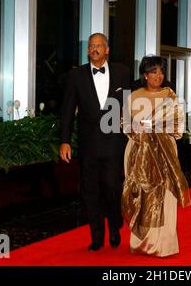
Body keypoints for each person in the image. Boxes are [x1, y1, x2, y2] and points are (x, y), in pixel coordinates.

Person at [59, 33, 130, 251]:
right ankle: (97, 236)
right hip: (88, 141)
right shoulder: (76, 75)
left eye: (99, 45)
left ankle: (115, 227)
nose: (94, 49)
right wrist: (64, 141)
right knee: (90, 190)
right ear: (87, 50)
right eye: (91, 46)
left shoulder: (122, 72)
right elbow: (68, 110)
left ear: (107, 49)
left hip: (113, 140)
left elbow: (128, 104)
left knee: (111, 184)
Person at [121, 56, 191, 257]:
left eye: (161, 72)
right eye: (153, 72)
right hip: (138, 150)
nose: (158, 76)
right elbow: (124, 124)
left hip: (165, 151)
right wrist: (138, 128)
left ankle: (164, 245)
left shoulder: (170, 96)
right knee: (141, 196)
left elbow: (178, 127)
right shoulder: (133, 96)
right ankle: (141, 242)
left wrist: (156, 127)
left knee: (165, 196)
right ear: (145, 75)